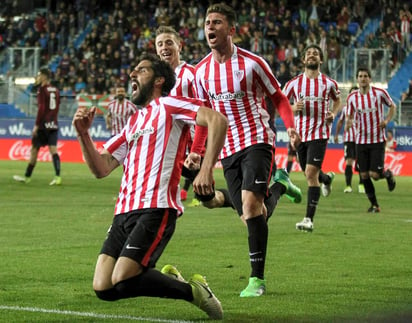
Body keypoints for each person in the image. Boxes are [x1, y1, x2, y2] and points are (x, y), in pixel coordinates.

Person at [72, 54, 227, 320]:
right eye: (133, 70)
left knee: (123, 277)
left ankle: (194, 292)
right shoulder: (134, 121)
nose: (132, 74)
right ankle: (176, 282)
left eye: (140, 70)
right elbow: (101, 168)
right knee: (103, 287)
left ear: (158, 80)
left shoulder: (170, 105)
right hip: (123, 212)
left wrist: (205, 169)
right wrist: (83, 134)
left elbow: (217, 120)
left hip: (156, 207)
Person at [188, 3, 301, 298]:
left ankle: (257, 281)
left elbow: (278, 97)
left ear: (232, 30)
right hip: (228, 148)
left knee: (251, 207)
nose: (210, 27)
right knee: (252, 214)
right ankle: (280, 185)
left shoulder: (252, 64)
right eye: (207, 23)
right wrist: (198, 152)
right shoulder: (201, 71)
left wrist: (290, 127)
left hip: (257, 140)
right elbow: (205, 117)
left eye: (217, 22)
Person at [155, 25, 230, 208]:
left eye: (169, 43)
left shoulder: (192, 75)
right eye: (160, 44)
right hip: (171, 148)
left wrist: (196, 150)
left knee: (209, 199)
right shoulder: (157, 80)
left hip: (192, 151)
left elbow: (206, 113)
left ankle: (261, 197)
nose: (164, 47)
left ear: (179, 46)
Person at [283, 44, 342, 232]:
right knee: (312, 174)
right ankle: (326, 179)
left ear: (321, 60)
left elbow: (338, 100)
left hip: (320, 133)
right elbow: (282, 104)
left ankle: (309, 219)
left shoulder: (329, 83)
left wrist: (333, 113)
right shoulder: (293, 83)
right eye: (308, 54)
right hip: (300, 135)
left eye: (315, 54)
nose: (312, 56)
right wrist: (293, 108)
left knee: (309, 174)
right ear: (303, 60)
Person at [345, 67, 396, 213]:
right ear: (357, 79)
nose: (363, 78)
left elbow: (392, 106)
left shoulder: (379, 94)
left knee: (374, 175)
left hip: (377, 140)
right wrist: (348, 123)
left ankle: (387, 174)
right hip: (360, 141)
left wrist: (386, 121)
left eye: (365, 76)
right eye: (360, 76)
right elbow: (349, 116)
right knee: (364, 175)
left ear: (370, 79)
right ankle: (375, 205)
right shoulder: (352, 97)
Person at [13, 68, 62, 186]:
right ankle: (58, 177)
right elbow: (57, 107)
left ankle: (27, 177)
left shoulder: (42, 90)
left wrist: (36, 125)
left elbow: (41, 108)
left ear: (44, 76)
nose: (38, 77)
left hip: (43, 125)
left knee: (34, 151)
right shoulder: (55, 90)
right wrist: (53, 120)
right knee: (53, 150)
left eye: (40, 75)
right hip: (53, 124)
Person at [334, 86, 364, 193]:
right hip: (349, 139)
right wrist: (337, 134)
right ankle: (348, 186)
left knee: (361, 162)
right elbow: (340, 122)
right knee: (349, 161)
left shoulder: (363, 108)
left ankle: (361, 184)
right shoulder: (346, 109)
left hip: (361, 139)